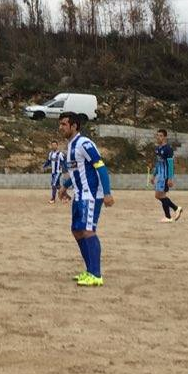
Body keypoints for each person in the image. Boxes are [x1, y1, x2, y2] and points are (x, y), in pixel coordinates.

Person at [57, 112, 114, 287]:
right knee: (76, 230)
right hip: (79, 195)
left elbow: (101, 167)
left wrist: (107, 193)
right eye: (60, 124)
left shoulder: (84, 143)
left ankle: (96, 274)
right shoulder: (70, 146)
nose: (60, 127)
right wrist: (65, 186)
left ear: (74, 126)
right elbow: (76, 172)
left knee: (88, 231)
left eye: (64, 124)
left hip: (91, 195)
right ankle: (89, 271)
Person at [151, 129, 183, 222]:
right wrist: (154, 175)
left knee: (160, 195)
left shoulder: (168, 149)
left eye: (161, 136)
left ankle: (168, 217)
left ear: (165, 137)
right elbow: (158, 163)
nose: (158, 137)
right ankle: (176, 209)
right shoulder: (157, 149)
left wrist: (170, 178)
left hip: (165, 176)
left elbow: (170, 164)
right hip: (160, 176)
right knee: (158, 195)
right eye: (157, 135)